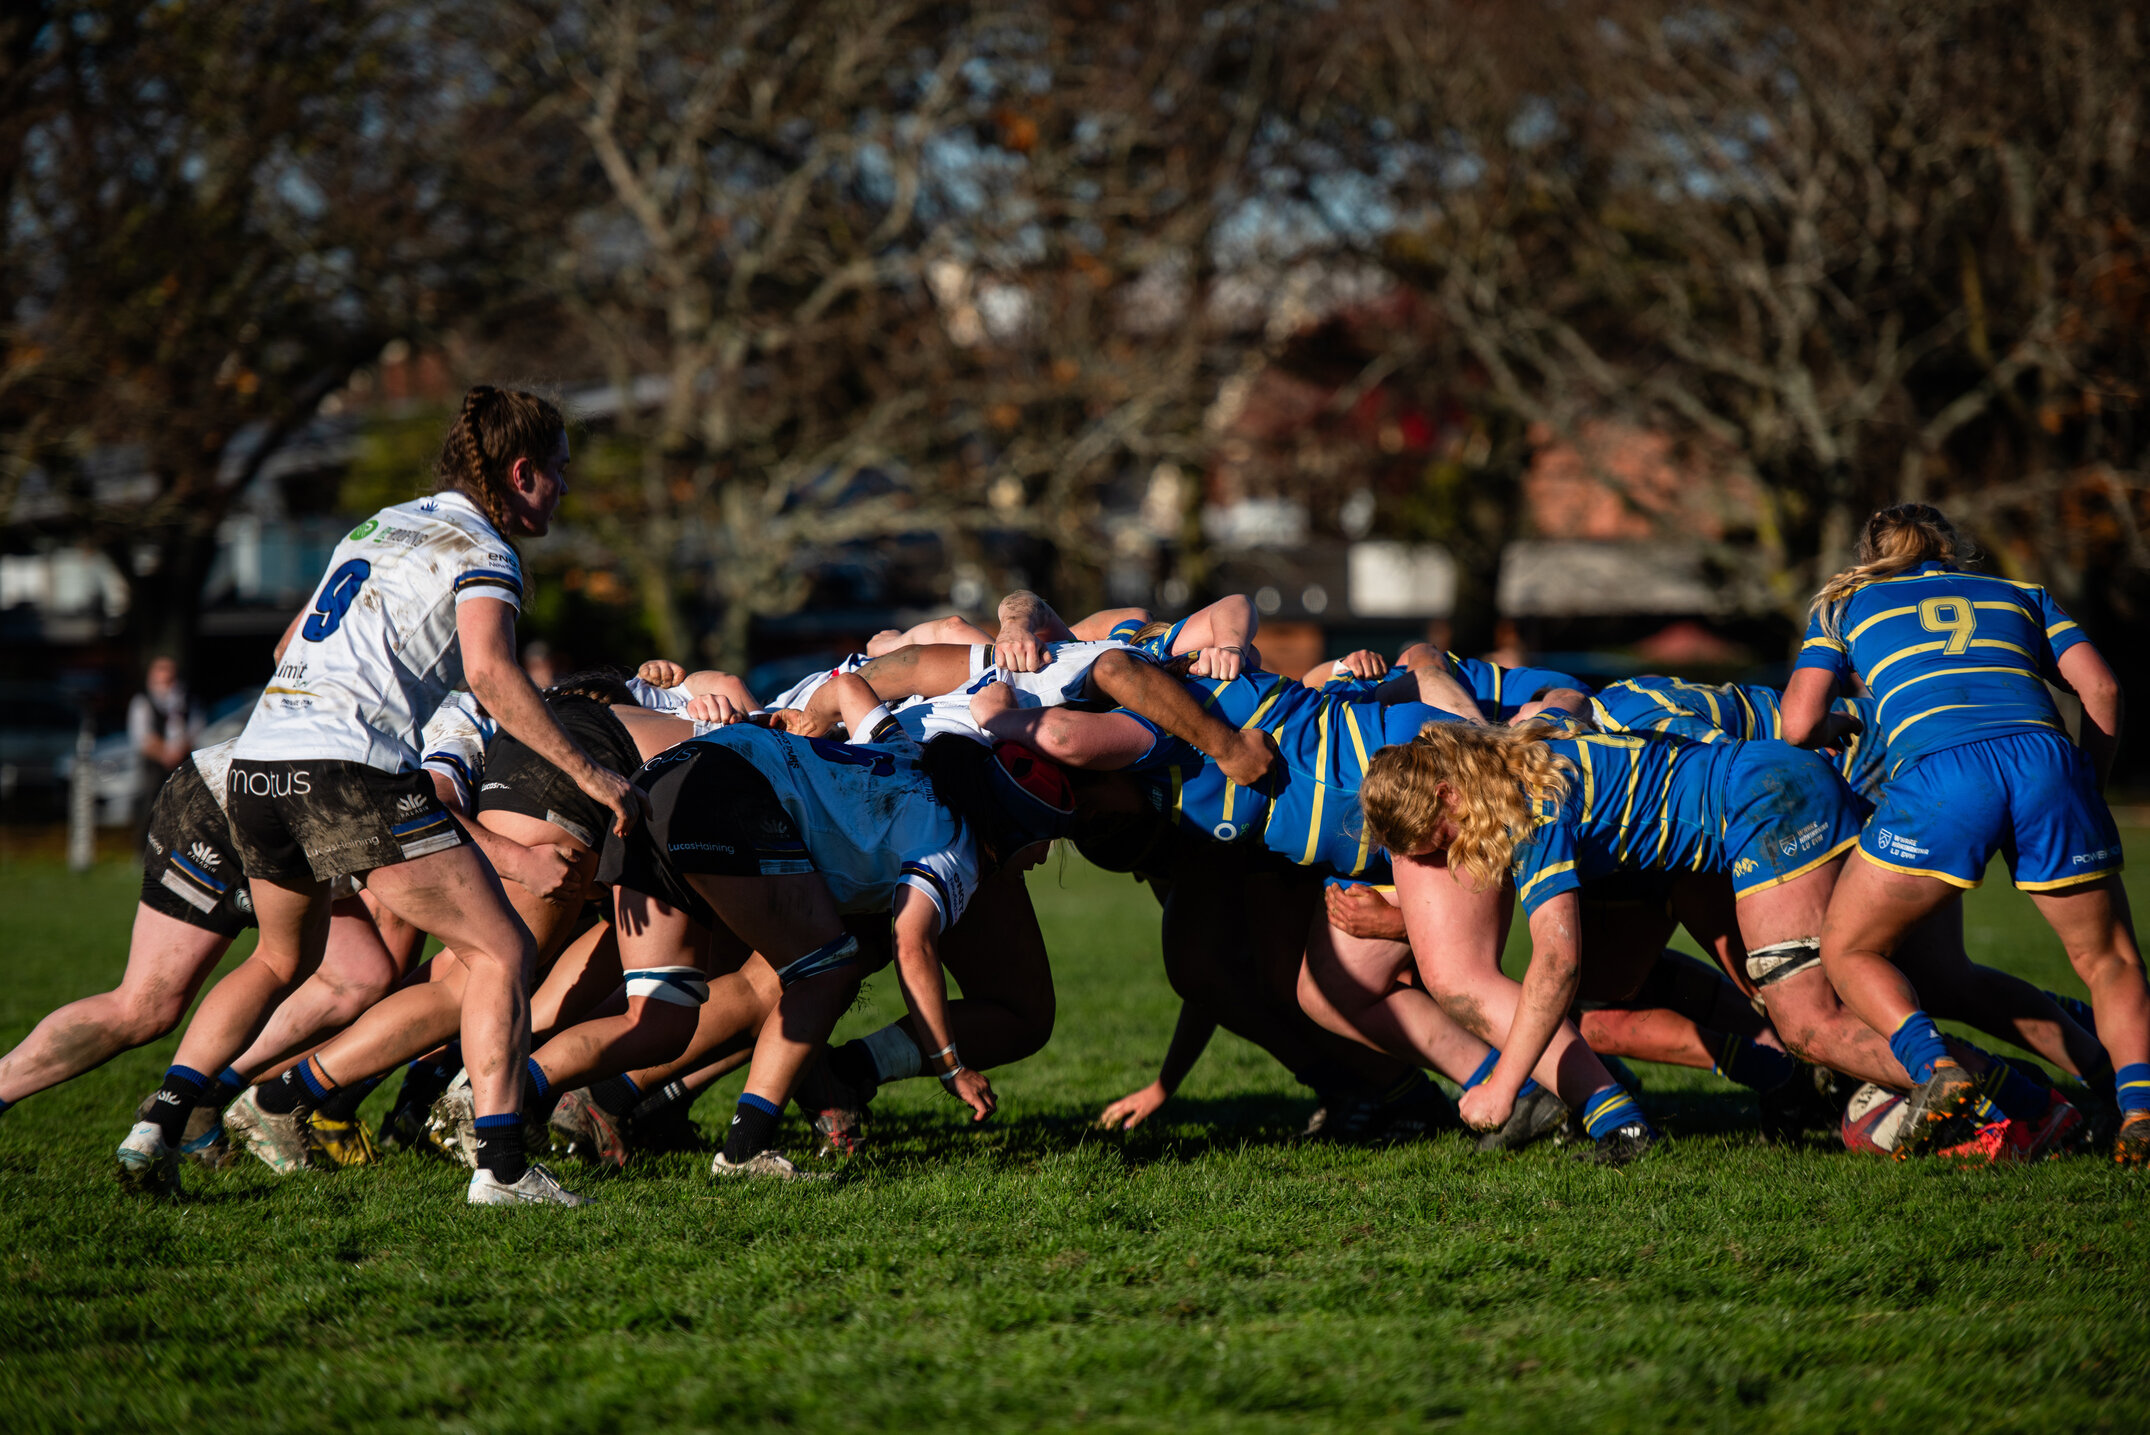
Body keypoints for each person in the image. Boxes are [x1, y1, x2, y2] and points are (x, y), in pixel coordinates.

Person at [114, 385, 645, 1207]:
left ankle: (159, 1122)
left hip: (255, 763)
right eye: (559, 473)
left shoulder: (382, 523)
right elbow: (493, 674)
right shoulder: (485, 551)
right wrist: (592, 773)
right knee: (501, 952)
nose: (564, 490)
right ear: (520, 470)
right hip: (345, 771)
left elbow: (292, 641)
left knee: (281, 958)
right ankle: (502, 1170)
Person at [1357, 721, 2064, 1163]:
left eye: (1437, 840)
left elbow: (1556, 959)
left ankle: (2026, 1102)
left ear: (1451, 796)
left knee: (1810, 1025)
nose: (1445, 860)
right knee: (1881, 990)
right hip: (1767, 792)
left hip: (1769, 805)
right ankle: (2034, 1098)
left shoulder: (1531, 811)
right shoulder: (1520, 754)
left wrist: (1502, 1086)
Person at [1780, 503, 2145, 1162]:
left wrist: (1840, 726)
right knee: (2110, 960)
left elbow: (1798, 724)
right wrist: (2085, 778)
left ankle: (1937, 1067)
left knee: (1851, 949)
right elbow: (2105, 690)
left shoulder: (1845, 605)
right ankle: (2140, 1111)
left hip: (1943, 774)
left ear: (1870, 552)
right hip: (2045, 761)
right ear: (1950, 550)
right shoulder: (2022, 594)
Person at [128, 657, 200, 850]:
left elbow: (195, 729)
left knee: (182, 805)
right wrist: (164, 753)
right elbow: (142, 736)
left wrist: (179, 750)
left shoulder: (186, 699)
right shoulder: (143, 701)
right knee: (150, 805)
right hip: (154, 764)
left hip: (181, 761)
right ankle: (144, 850)